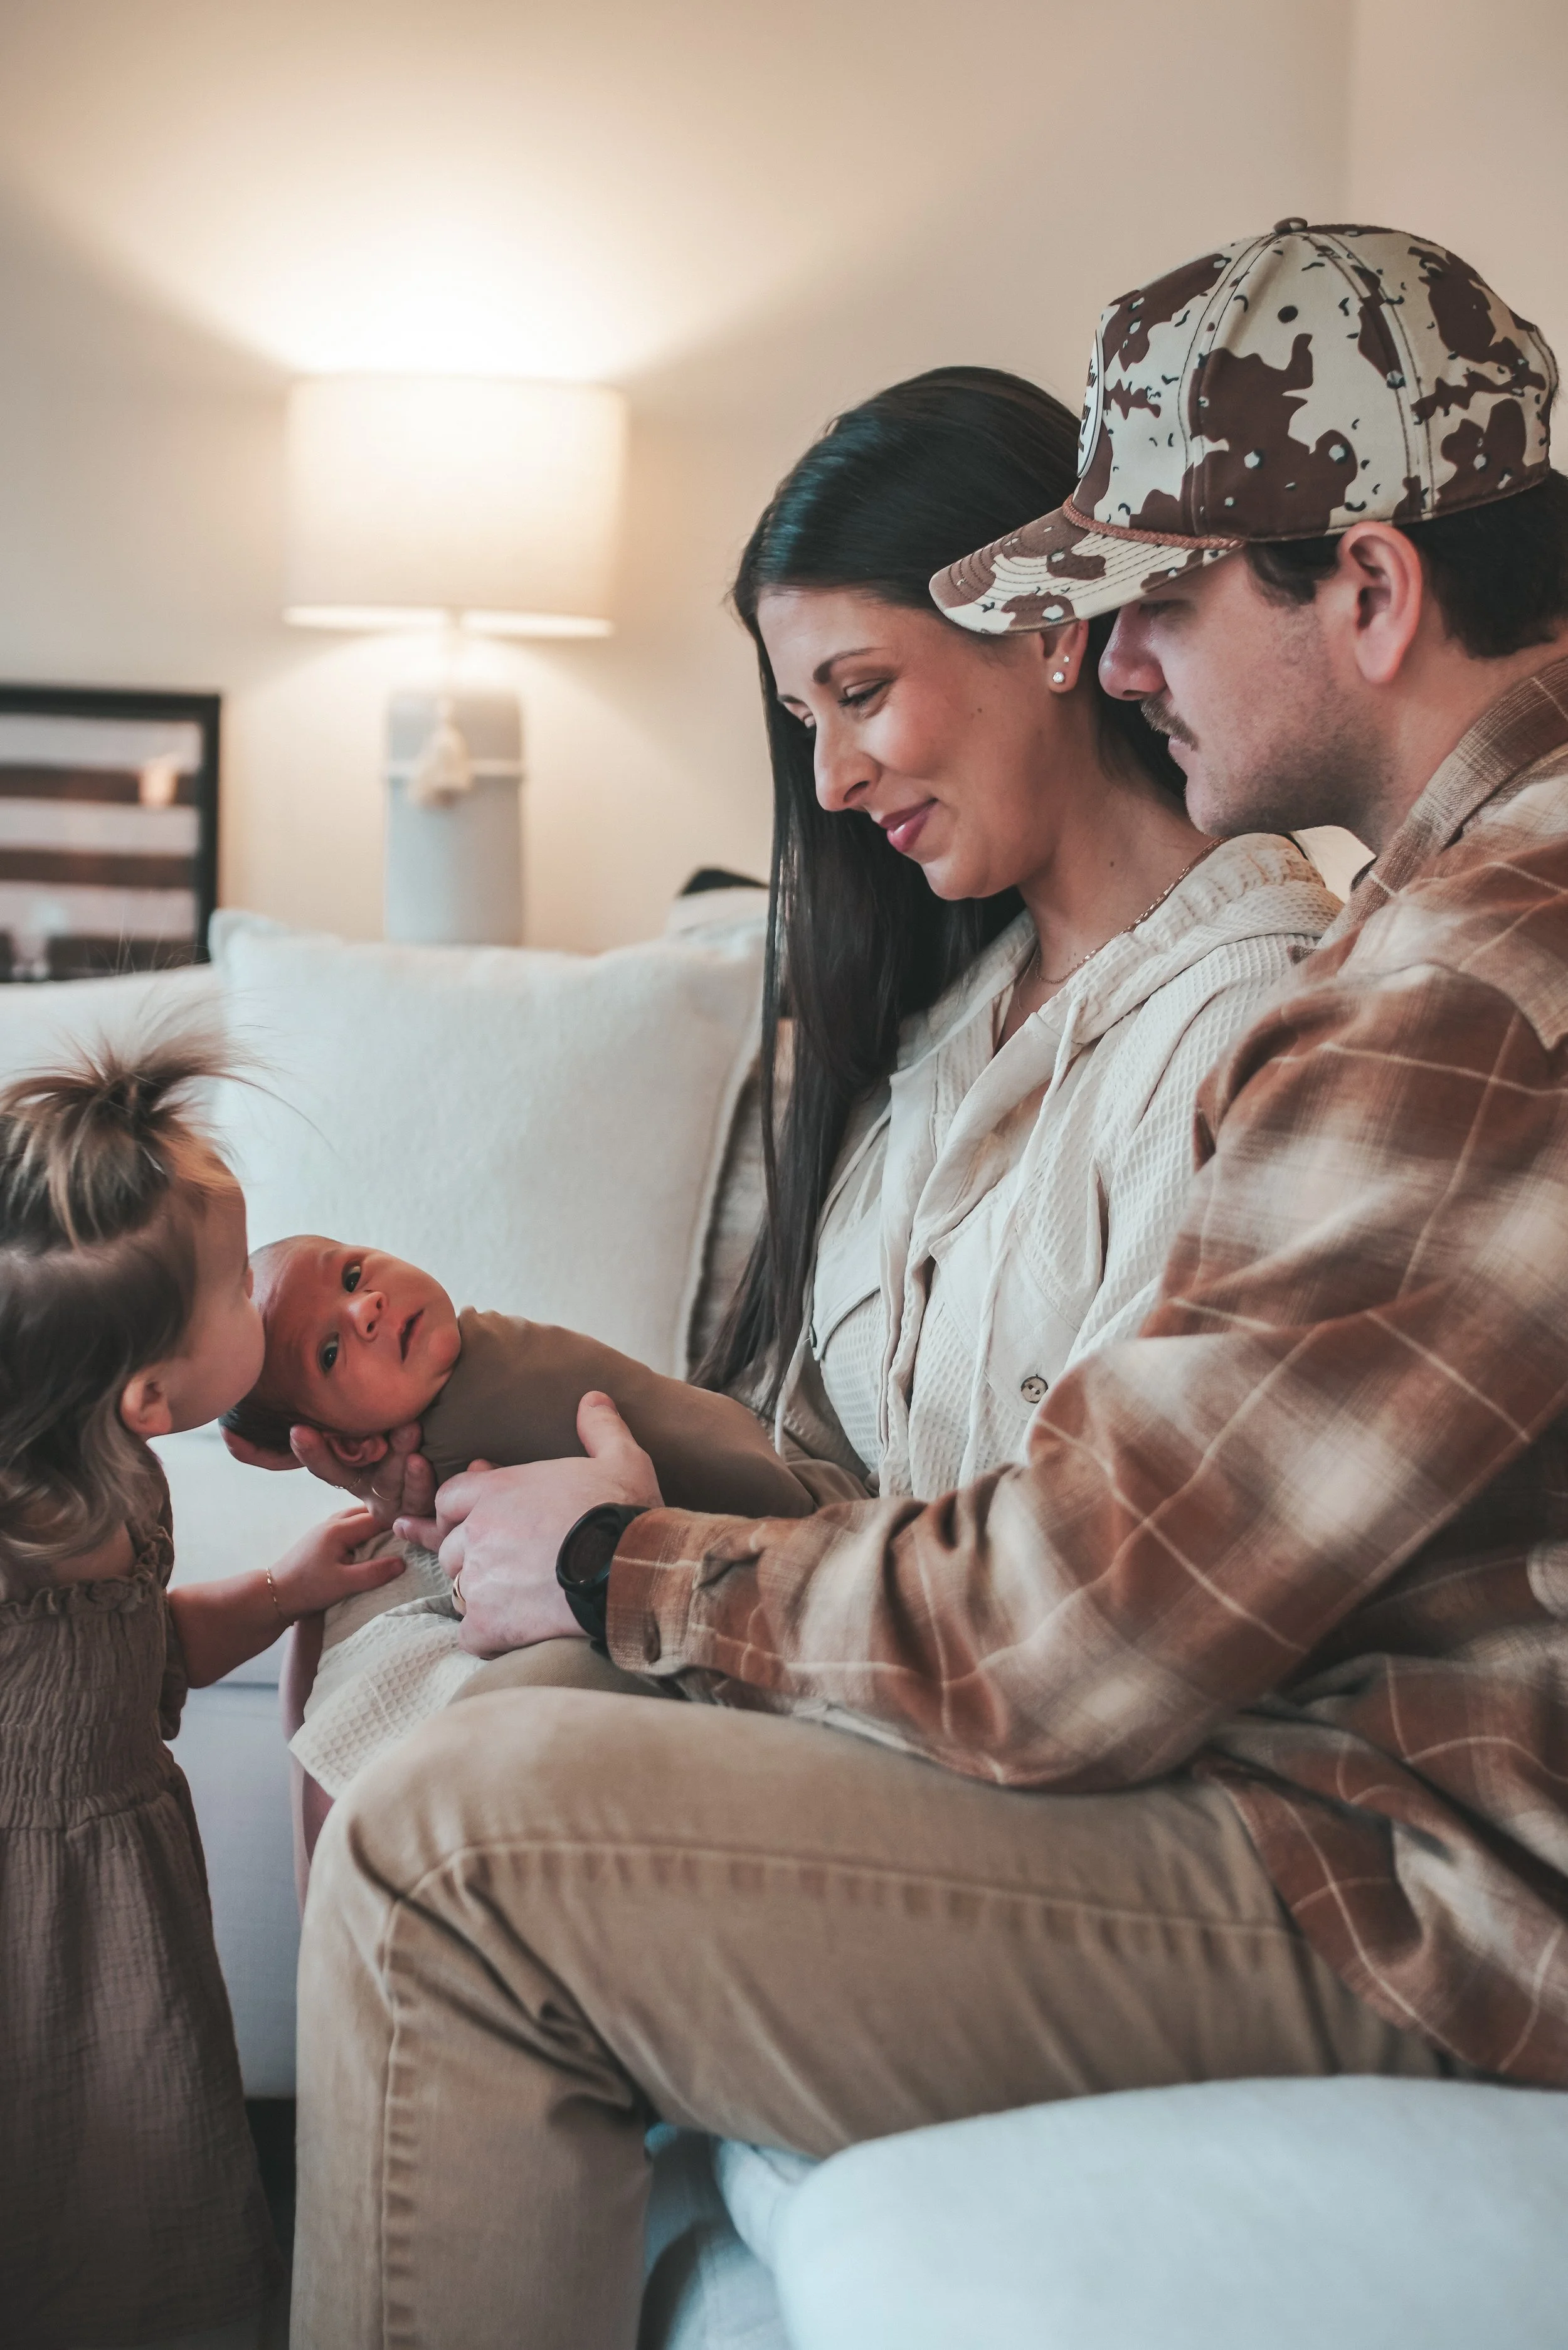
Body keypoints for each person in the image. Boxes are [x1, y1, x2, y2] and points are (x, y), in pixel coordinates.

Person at [292, 221, 1568, 2350]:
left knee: (460, 1838)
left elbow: (1070, 1634)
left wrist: (623, 1561)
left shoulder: (1468, 994)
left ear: (1368, 586)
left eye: (1159, 601)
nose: (1124, 660)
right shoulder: (1440, 937)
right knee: (472, 1731)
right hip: (1307, 1793)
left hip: (1404, 1884)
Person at [0, 1042, 405, 2347]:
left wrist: (285, 1587)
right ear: (150, 1391)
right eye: (239, 1285)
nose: (267, 1287)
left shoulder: (119, 1472)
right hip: (38, 1941)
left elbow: (140, 1659)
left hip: (124, 1902)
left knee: (152, 2205)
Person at [222, 1232, 816, 1800]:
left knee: (345, 1744)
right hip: (764, 1501)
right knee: (326, 1633)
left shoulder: (466, 1410)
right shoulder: (480, 1359)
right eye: (330, 1352)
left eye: (352, 1275)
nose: (366, 1306)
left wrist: (385, 1492)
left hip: (763, 1553)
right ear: (349, 1446)